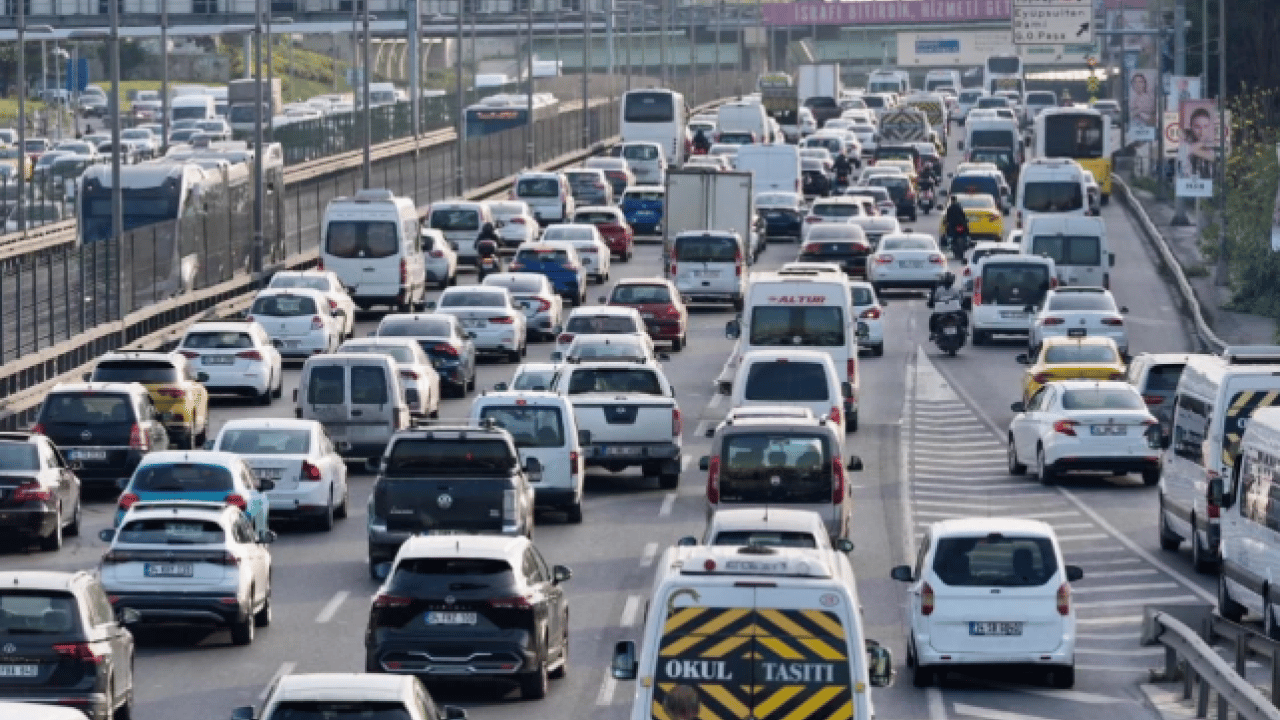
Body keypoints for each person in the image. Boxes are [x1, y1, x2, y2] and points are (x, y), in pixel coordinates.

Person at [926, 271, 966, 340]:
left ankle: (964, 329)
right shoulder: (950, 290)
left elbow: (935, 299)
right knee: (933, 318)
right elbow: (960, 300)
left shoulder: (953, 290)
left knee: (964, 315)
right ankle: (933, 333)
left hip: (949, 310)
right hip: (944, 311)